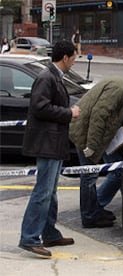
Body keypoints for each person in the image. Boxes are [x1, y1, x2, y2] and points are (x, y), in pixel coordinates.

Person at [69, 68, 123, 228]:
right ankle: (89, 216)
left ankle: (95, 209)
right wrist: (92, 146)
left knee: (116, 170)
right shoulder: (119, 89)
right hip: (86, 135)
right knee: (88, 176)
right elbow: (98, 115)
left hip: (98, 136)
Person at [18, 40, 80, 257]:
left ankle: (50, 233)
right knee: (43, 192)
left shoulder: (54, 77)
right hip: (47, 143)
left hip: (53, 143)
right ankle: (29, 237)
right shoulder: (46, 77)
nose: (74, 62)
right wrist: (68, 113)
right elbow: (39, 107)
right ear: (65, 58)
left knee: (50, 193)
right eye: (74, 58)